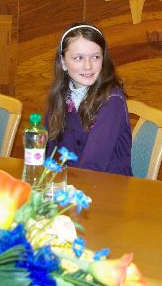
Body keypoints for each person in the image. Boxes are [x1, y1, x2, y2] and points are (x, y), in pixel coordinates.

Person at [45, 23, 133, 176]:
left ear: (103, 60)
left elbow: (93, 166)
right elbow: (49, 155)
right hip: (68, 183)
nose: (88, 66)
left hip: (108, 185)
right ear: (63, 62)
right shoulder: (60, 98)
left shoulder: (112, 101)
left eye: (95, 57)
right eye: (79, 58)